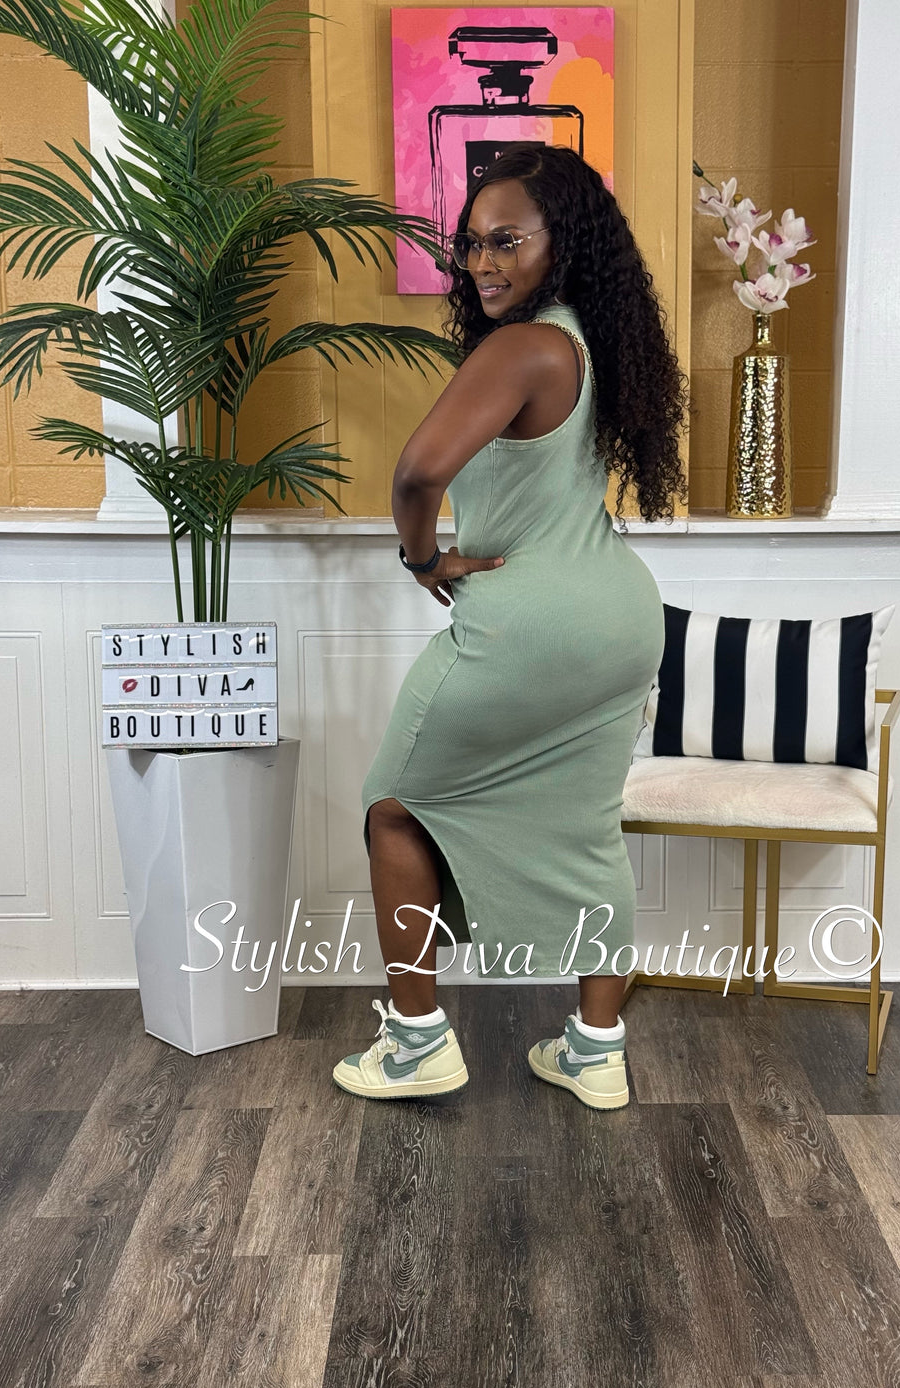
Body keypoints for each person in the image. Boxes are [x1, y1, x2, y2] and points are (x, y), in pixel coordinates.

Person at [332, 143, 689, 1109]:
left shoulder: (524, 348)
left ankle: (417, 1042)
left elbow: (418, 472)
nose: (482, 263)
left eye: (506, 241)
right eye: (472, 244)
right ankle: (596, 1051)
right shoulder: (589, 343)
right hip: (620, 619)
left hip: (530, 624)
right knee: (589, 831)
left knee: (395, 806)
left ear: (559, 243)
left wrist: (421, 560)